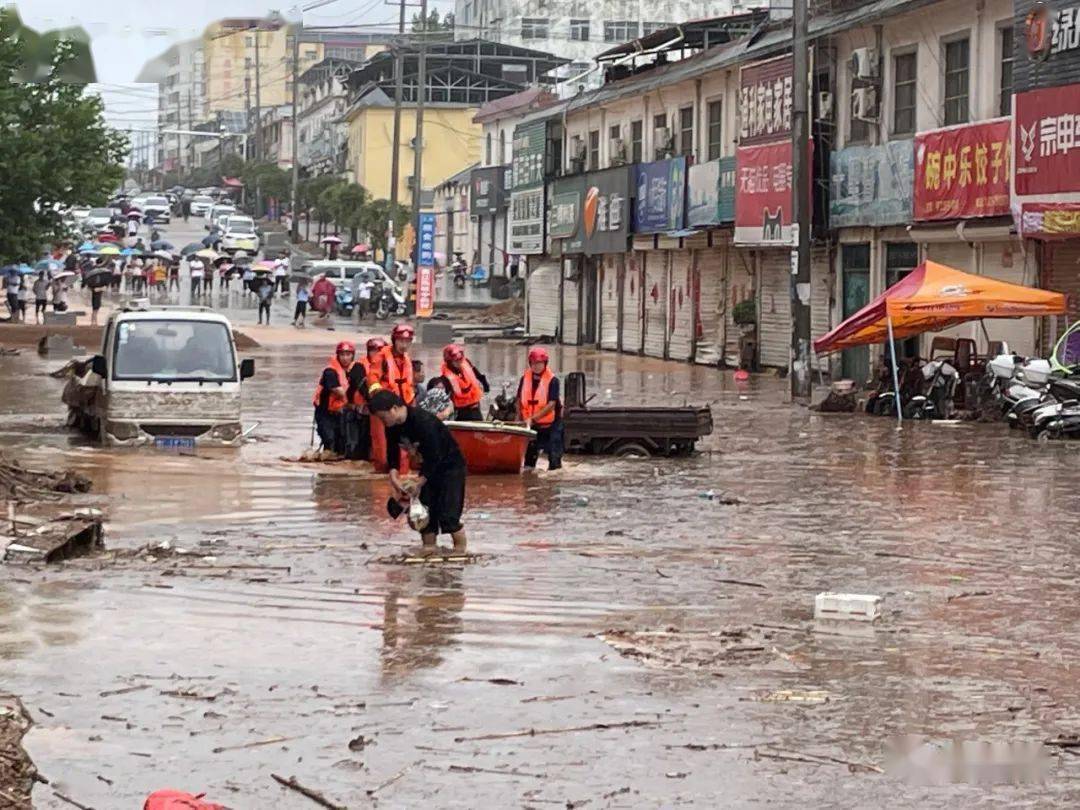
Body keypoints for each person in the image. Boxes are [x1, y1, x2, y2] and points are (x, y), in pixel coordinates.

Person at [369, 389, 469, 556]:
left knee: (449, 518)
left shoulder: (423, 422)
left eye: (382, 416)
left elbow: (436, 456)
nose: (382, 421)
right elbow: (393, 455)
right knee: (425, 518)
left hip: (451, 468)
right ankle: (428, 551)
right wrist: (394, 477)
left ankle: (460, 552)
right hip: (427, 469)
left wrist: (419, 482)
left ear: (394, 408)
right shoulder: (392, 427)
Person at [518, 347, 563, 471]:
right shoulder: (524, 379)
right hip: (532, 426)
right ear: (530, 363)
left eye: (539, 363)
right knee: (529, 463)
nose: (536, 366)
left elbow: (551, 405)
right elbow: (519, 401)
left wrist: (532, 419)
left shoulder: (553, 381)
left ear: (545, 363)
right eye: (534, 363)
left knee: (554, 462)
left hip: (552, 425)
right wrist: (519, 420)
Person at [312, 341, 356, 455]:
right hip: (325, 414)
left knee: (342, 445)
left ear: (352, 356)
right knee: (330, 442)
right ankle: (326, 471)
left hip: (341, 414)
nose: (345, 358)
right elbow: (339, 391)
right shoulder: (330, 372)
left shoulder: (354, 371)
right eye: (342, 355)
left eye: (348, 354)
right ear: (338, 356)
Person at [368, 323, 416, 405]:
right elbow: (372, 378)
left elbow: (409, 384)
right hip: (386, 404)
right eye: (401, 341)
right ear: (394, 340)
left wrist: (412, 403)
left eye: (407, 342)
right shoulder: (382, 357)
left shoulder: (406, 358)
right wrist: (380, 396)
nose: (404, 345)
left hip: (405, 403)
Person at [440, 344, 489, 422]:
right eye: (456, 360)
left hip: (475, 406)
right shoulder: (445, 378)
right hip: (461, 411)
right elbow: (444, 397)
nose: (459, 362)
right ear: (449, 361)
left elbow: (478, 375)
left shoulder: (466, 363)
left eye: (460, 359)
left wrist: (485, 385)